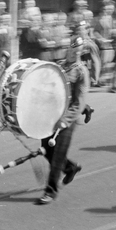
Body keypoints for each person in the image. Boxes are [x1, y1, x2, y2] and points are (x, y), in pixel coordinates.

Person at [37, 35, 89, 204]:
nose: (76, 55)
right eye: (74, 51)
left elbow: (79, 102)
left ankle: (50, 191)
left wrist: (66, 120)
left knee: (57, 155)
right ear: (69, 49)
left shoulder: (81, 71)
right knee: (46, 148)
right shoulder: (59, 67)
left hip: (67, 119)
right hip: (52, 115)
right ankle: (70, 168)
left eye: (79, 52)